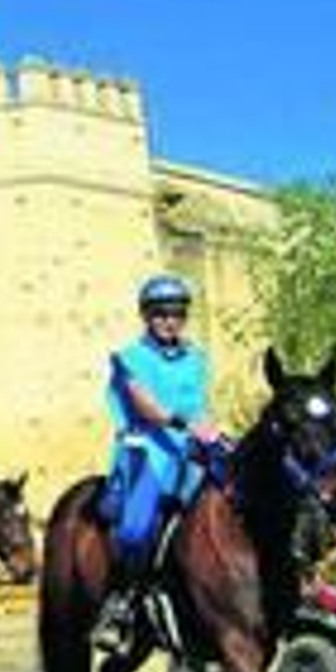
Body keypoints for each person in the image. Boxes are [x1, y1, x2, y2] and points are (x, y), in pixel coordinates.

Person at [96, 275, 221, 647]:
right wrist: (184, 423)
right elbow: (145, 406)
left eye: (177, 313)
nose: (170, 321)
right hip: (147, 450)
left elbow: (200, 407)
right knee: (136, 529)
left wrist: (212, 432)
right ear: (147, 316)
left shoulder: (196, 359)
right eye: (161, 314)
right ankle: (121, 602)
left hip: (191, 450)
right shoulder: (129, 358)